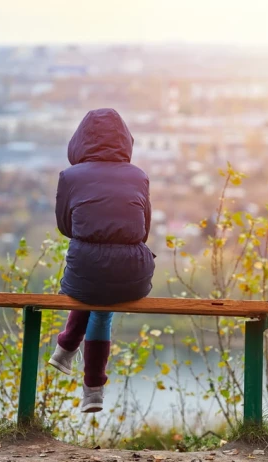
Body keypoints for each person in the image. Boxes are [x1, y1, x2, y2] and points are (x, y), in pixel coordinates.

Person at [47, 108, 155, 413]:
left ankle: (68, 351)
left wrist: (90, 233)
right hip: (132, 272)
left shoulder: (69, 177)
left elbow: (64, 226)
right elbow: (144, 229)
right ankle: (91, 387)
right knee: (103, 307)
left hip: (85, 270)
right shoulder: (139, 176)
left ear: (80, 140)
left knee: (92, 283)